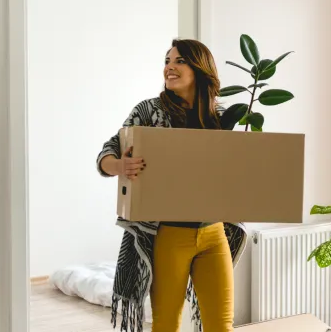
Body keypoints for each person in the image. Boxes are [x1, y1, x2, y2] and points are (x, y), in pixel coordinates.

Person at [96, 38, 248, 332]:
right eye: (167, 61)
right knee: (166, 325)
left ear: (199, 68)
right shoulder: (148, 111)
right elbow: (108, 151)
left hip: (214, 233)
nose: (170, 67)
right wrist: (120, 165)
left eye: (179, 61)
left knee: (222, 325)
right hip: (169, 235)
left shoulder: (220, 117)